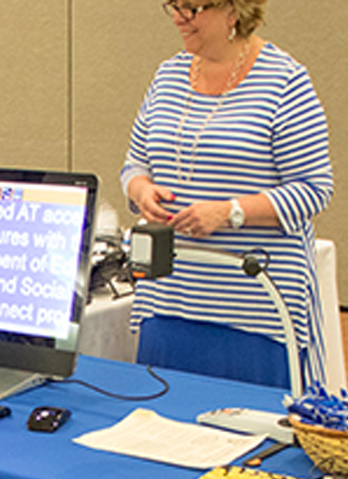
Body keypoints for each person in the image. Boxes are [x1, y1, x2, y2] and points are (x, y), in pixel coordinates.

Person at [121, 0, 334, 389]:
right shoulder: (167, 76)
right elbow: (134, 165)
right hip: (169, 298)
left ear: (233, 10)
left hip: (253, 310)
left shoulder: (284, 81)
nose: (179, 17)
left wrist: (230, 212)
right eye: (173, 5)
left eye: (192, 7)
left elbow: (314, 190)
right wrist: (141, 191)